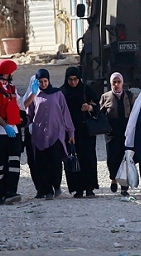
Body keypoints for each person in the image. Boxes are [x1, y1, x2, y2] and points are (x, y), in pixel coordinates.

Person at [26, 69, 75, 200]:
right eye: (40, 82)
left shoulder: (58, 94)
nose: (43, 84)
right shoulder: (34, 95)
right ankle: (47, 190)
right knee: (42, 163)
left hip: (56, 133)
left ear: (49, 80)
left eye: (45, 81)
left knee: (55, 161)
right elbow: (29, 113)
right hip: (39, 134)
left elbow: (65, 113)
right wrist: (30, 126)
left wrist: (70, 132)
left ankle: (57, 184)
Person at [0, 59, 26, 206]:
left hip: (13, 131)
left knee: (14, 162)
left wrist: (33, 93)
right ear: (8, 73)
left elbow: (22, 105)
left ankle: (11, 192)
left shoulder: (11, 89)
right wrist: (5, 126)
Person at [60, 66, 100, 198]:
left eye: (75, 79)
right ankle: (77, 189)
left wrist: (90, 107)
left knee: (88, 159)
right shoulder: (62, 92)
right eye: (70, 80)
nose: (73, 82)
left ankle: (89, 188)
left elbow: (98, 106)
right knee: (73, 159)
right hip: (69, 132)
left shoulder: (86, 90)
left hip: (86, 131)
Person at [99, 72, 135, 197]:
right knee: (112, 159)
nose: (116, 85)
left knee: (125, 159)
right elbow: (100, 114)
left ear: (122, 83)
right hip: (112, 134)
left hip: (126, 133)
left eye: (118, 82)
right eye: (114, 82)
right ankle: (114, 178)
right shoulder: (105, 97)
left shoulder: (129, 96)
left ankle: (124, 187)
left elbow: (135, 113)